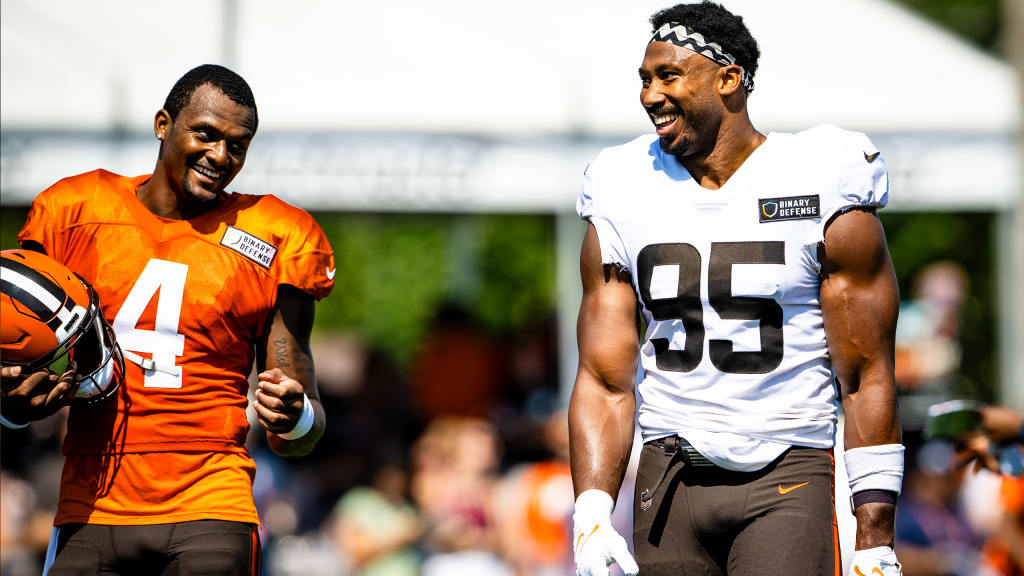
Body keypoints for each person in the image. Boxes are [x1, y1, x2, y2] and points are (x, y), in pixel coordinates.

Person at [568, 3, 903, 575]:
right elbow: (604, 377)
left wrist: (875, 539)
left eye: (668, 76)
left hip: (788, 467)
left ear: (729, 79)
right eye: (645, 80)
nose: (650, 95)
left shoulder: (821, 175)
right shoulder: (622, 184)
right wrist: (592, 513)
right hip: (669, 471)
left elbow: (865, 371)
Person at [0, 64, 334, 575]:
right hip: (90, 507)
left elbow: (301, 429)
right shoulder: (73, 212)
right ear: (163, 124)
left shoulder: (274, 235)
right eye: (206, 134)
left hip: (211, 507)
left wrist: (296, 416)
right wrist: (12, 409)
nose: (220, 156)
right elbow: (16, 370)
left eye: (238, 146)